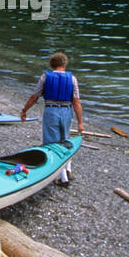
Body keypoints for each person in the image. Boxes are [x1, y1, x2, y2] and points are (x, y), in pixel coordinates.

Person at [19, 51, 84, 186]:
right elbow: (76, 101)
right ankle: (68, 168)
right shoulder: (72, 79)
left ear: (51, 64)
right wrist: (80, 122)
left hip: (51, 110)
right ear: (64, 64)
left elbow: (34, 97)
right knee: (64, 140)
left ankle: (62, 177)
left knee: (52, 144)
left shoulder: (45, 77)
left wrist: (25, 110)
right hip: (67, 111)